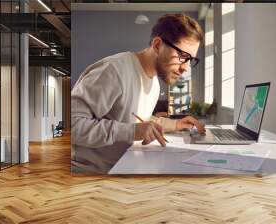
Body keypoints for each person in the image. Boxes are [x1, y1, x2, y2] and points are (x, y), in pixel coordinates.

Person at [71, 13, 206, 174]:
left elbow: (137, 120)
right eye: (183, 56)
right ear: (157, 45)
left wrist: (176, 125)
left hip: (126, 167)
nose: (186, 68)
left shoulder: (154, 83)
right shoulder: (113, 71)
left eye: (191, 60)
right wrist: (132, 132)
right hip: (93, 175)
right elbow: (72, 124)